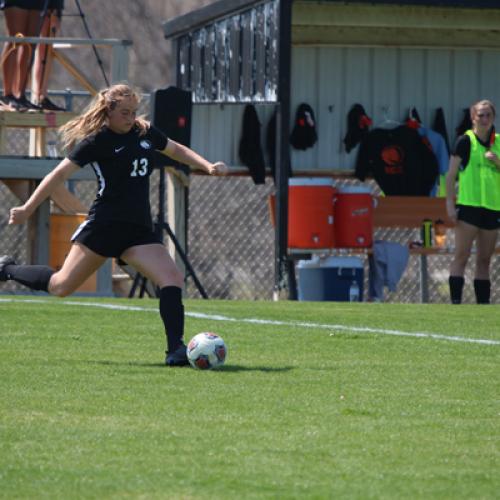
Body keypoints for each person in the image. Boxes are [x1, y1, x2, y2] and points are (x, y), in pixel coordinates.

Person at [0, 83, 228, 365]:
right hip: (104, 227)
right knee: (61, 286)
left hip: (138, 231)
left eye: (133, 111)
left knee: (172, 278)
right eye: (124, 112)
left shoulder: (144, 132)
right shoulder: (97, 141)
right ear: (108, 112)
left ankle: (175, 350)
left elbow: (175, 149)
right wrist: (27, 207)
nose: (130, 118)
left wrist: (205, 165)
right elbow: (57, 175)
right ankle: (6, 269)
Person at [446, 99, 500, 304]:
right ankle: (456, 304)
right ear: (473, 118)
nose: (485, 119)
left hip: (493, 208)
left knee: (484, 260)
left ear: (493, 117)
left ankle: (483, 306)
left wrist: (497, 161)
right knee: (462, 255)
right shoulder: (465, 141)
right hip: (469, 207)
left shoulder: (499, 143)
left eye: (488, 115)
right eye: (480, 115)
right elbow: (450, 175)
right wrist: (450, 205)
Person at [32, 0, 65, 111]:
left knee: (46, 50)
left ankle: (42, 95)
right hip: (40, 6)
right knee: (42, 49)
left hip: (53, 5)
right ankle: (38, 94)